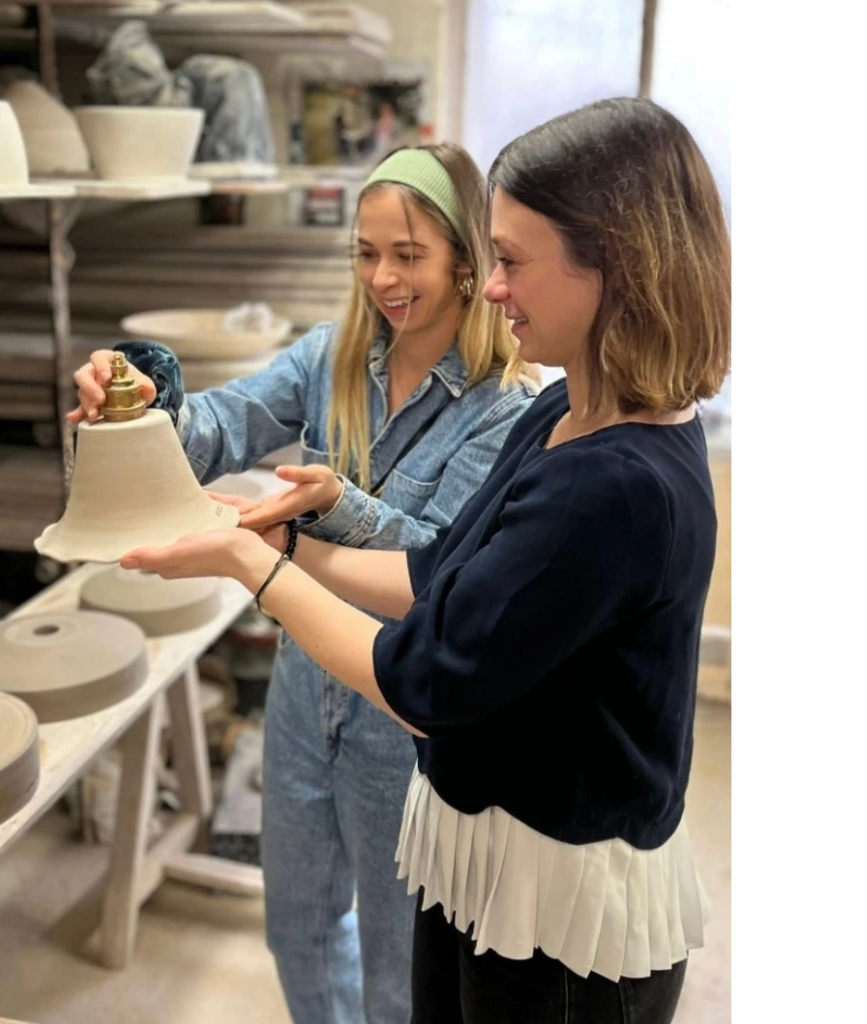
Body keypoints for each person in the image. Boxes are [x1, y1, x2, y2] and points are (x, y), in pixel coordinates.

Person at [117, 97, 731, 1023]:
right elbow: (439, 571)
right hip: (483, 851)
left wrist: (253, 565)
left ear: (615, 264)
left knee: (393, 981)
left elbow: (424, 679)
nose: (495, 286)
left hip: (557, 917)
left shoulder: (611, 483)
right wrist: (284, 536)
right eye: (367, 254)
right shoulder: (564, 412)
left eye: (510, 261)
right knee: (317, 933)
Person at [70, 143, 541, 1024]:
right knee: (298, 932)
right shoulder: (331, 358)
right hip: (301, 695)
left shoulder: (506, 406)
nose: (383, 278)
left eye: (408, 256)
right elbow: (217, 427)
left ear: (467, 263)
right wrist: (138, 389)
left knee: (399, 971)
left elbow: (446, 571)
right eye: (367, 253)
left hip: (399, 717)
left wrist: (338, 507)